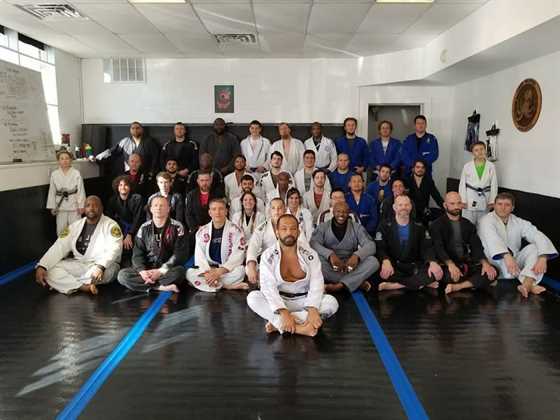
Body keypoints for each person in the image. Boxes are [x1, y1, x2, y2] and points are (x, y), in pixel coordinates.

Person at [246, 214, 339, 336]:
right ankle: (299, 328)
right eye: (284, 229)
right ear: (277, 232)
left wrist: (312, 308)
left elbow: (317, 283)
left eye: (293, 228)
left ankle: (279, 324)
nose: (289, 232)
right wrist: (283, 312)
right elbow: (268, 288)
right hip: (280, 300)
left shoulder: (310, 254)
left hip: (304, 301)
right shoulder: (268, 256)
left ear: (298, 232)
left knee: (331, 303)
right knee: (253, 298)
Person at [35, 196, 123, 295]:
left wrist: (101, 266)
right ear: (84, 209)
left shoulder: (111, 225)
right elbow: (59, 246)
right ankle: (83, 287)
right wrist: (42, 265)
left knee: (96, 274)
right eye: (88, 205)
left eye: (95, 205)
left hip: (105, 266)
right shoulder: (75, 226)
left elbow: (115, 248)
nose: (91, 208)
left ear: (102, 208)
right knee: (49, 271)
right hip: (81, 264)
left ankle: (67, 283)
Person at [478, 192, 558, 298]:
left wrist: (543, 257)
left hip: (514, 263)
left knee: (535, 248)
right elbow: (493, 240)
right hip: (495, 264)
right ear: (494, 205)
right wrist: (506, 256)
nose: (503, 208)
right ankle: (530, 284)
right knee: (505, 261)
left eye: (507, 205)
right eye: (499, 204)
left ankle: (526, 284)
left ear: (512, 208)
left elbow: (536, 234)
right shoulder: (486, 221)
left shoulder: (517, 221)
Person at [430, 192, 498, 294]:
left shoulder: (467, 224)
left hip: (465, 264)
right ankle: (474, 282)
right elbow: (438, 247)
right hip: (447, 264)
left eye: (459, 203)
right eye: (452, 204)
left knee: (493, 271)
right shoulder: (436, 225)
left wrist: (485, 263)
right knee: (449, 276)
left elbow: (476, 246)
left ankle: (458, 286)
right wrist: (450, 264)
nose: (456, 207)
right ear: (445, 205)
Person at [117, 196, 187, 293]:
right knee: (122, 275)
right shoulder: (144, 228)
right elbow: (137, 253)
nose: (158, 208)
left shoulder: (177, 227)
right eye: (156, 205)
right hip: (148, 268)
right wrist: (142, 271)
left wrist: (160, 271)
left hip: (167, 269)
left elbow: (179, 255)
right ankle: (159, 287)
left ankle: (147, 286)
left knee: (180, 272)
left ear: (168, 209)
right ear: (151, 209)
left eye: (162, 205)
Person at [375, 195, 442, 291]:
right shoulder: (384, 225)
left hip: (414, 266)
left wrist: (432, 262)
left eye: (406, 205)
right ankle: (421, 283)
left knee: (436, 273)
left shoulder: (419, 226)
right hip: (394, 265)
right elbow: (380, 247)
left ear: (410, 207)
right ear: (394, 207)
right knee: (381, 273)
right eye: (400, 205)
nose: (404, 207)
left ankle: (396, 285)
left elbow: (427, 247)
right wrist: (385, 260)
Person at [311, 202, 379, 293]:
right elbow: (313, 244)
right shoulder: (323, 227)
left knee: (373, 261)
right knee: (316, 261)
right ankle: (355, 282)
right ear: (333, 212)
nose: (341, 215)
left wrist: (357, 256)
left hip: (351, 265)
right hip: (331, 265)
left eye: (344, 212)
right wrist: (330, 254)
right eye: (338, 211)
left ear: (348, 213)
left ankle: (340, 285)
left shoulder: (357, 227)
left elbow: (371, 245)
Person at [186, 199, 247, 292]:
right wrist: (207, 272)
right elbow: (200, 256)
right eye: (214, 209)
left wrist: (219, 271)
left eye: (221, 209)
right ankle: (226, 286)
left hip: (226, 269)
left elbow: (238, 255)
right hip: (209, 268)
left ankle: (210, 284)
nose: (217, 212)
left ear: (226, 211)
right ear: (210, 213)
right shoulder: (202, 231)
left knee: (240, 271)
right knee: (189, 273)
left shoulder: (236, 230)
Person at [95, 121, 160, 177]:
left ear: (142, 130)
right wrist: (98, 157)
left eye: (137, 128)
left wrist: (152, 171)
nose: (135, 130)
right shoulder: (125, 141)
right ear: (130, 130)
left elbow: (155, 157)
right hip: (128, 173)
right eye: (133, 128)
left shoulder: (149, 142)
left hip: (144, 173)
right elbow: (112, 151)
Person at [105, 175, 145, 266]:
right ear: (117, 187)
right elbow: (109, 218)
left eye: (126, 185)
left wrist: (130, 234)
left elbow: (138, 218)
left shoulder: (137, 198)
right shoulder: (112, 200)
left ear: (130, 187)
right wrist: (120, 234)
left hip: (135, 228)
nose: (123, 187)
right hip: (119, 228)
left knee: (132, 244)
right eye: (120, 185)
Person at [246, 198, 286, 284]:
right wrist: (251, 265)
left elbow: (303, 244)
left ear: (285, 210)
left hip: (288, 262)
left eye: (279, 208)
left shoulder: (293, 226)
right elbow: (253, 246)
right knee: (248, 269)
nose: (276, 211)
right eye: (273, 208)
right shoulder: (262, 227)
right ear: (269, 211)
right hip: (269, 262)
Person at [46, 150, 86, 235]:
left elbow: (80, 190)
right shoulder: (54, 174)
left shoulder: (76, 173)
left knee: (76, 229)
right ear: (58, 161)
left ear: (71, 160)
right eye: (62, 158)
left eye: (67, 158)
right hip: (60, 207)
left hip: (74, 206)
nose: (64, 161)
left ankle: (75, 243)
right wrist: (52, 206)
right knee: (61, 230)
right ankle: (62, 244)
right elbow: (52, 191)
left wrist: (81, 206)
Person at [459, 141, 498, 225]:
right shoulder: (467, 166)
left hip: (485, 198)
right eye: (476, 150)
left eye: (482, 149)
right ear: (472, 153)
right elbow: (462, 184)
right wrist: (462, 200)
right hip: (469, 198)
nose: (480, 152)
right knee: (467, 223)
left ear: (485, 150)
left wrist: (492, 201)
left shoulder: (491, 166)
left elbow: (494, 184)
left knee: (483, 224)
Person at [184, 171, 225, 236]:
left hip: (215, 230)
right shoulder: (191, 195)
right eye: (202, 180)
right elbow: (188, 214)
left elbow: (222, 213)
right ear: (198, 181)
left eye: (207, 180)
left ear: (211, 180)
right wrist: (197, 228)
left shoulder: (218, 194)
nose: (204, 183)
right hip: (196, 231)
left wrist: (212, 228)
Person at [405, 159, 444, 226]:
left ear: (425, 169)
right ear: (413, 168)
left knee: (441, 214)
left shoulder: (429, 181)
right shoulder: (406, 180)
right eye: (418, 167)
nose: (420, 169)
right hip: (410, 212)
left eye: (422, 167)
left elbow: (437, 197)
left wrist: (446, 207)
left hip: (424, 211)